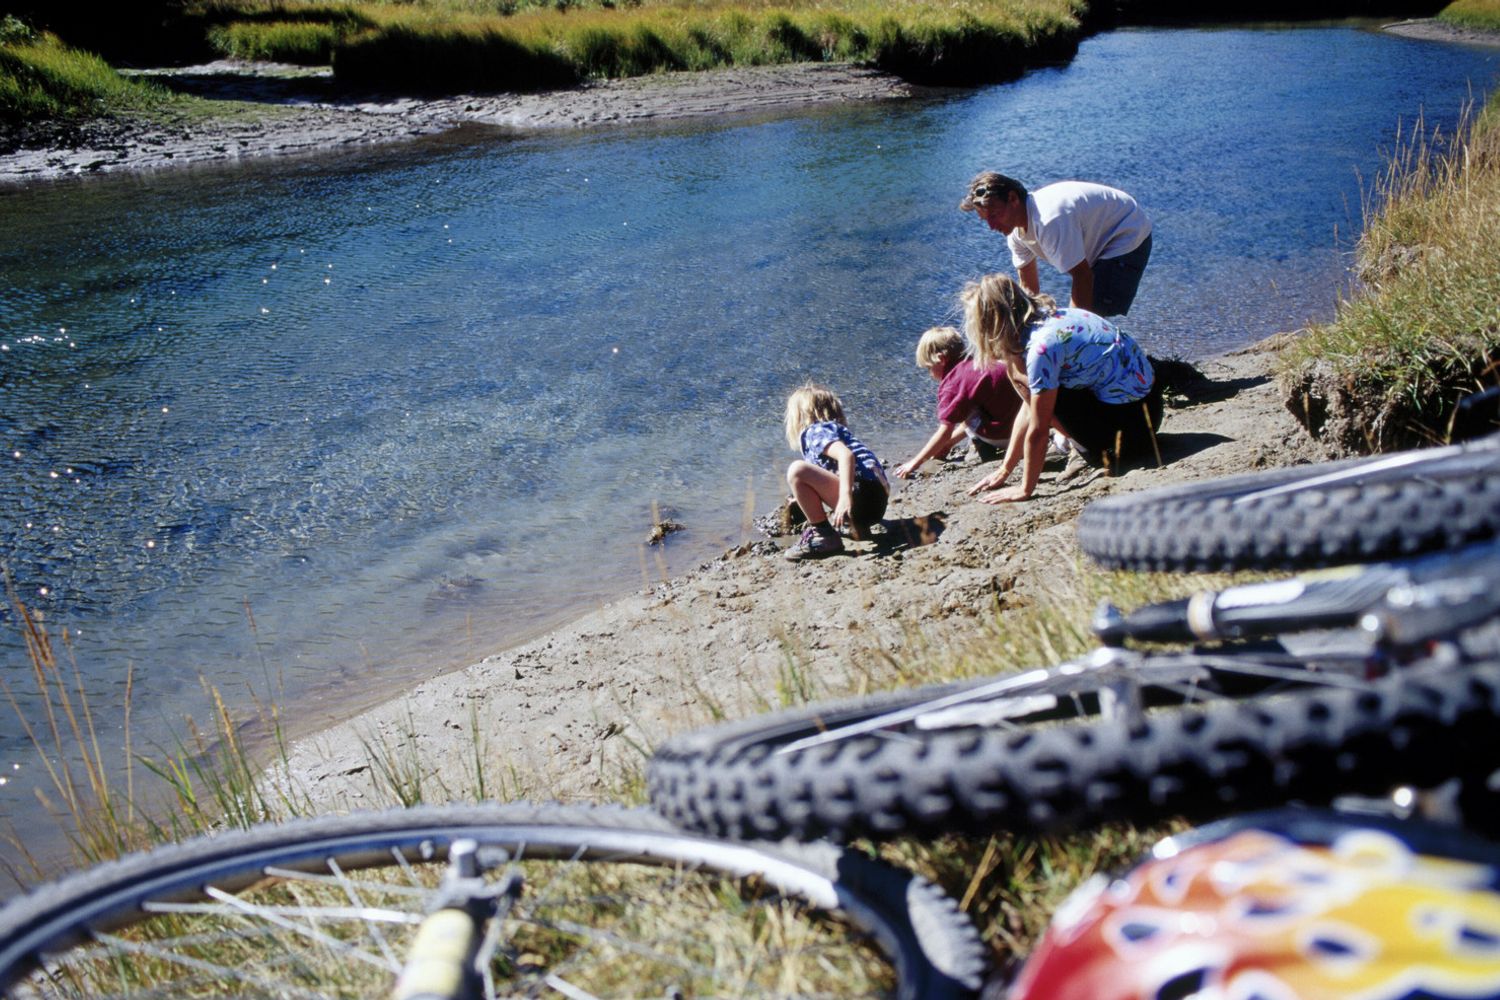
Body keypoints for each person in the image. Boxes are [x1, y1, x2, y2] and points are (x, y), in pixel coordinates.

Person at [960, 273, 1162, 504]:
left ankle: (1086, 450)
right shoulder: (1058, 316)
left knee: (1023, 379)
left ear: (993, 322)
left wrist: (1025, 489)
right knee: (1031, 383)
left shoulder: (1040, 349)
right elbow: (1028, 408)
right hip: (1150, 409)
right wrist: (1006, 468)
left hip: (1131, 435)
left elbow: (1038, 426)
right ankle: (1076, 444)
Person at [959, 172, 1152, 317]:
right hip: (1098, 235)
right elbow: (1029, 290)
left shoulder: (1049, 221)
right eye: (986, 220)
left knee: (1096, 311)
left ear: (1013, 199)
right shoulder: (1016, 235)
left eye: (994, 215)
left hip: (1126, 230)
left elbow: (1082, 276)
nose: (992, 226)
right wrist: (1026, 325)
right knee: (1086, 311)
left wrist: (1069, 334)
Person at [893, 326, 1021, 479]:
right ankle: (951, 445)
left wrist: (915, 462)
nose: (930, 374)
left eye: (929, 368)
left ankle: (985, 446)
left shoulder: (953, 384)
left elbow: (945, 430)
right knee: (971, 405)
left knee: (962, 411)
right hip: (1024, 428)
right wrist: (948, 443)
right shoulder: (982, 361)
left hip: (1004, 436)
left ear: (941, 359)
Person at [782, 382, 890, 561]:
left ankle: (824, 535)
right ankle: (859, 528)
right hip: (877, 505)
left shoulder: (814, 432)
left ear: (799, 417)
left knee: (797, 470)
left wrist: (845, 496)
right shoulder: (836, 432)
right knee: (807, 476)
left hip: (860, 501)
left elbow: (846, 456)